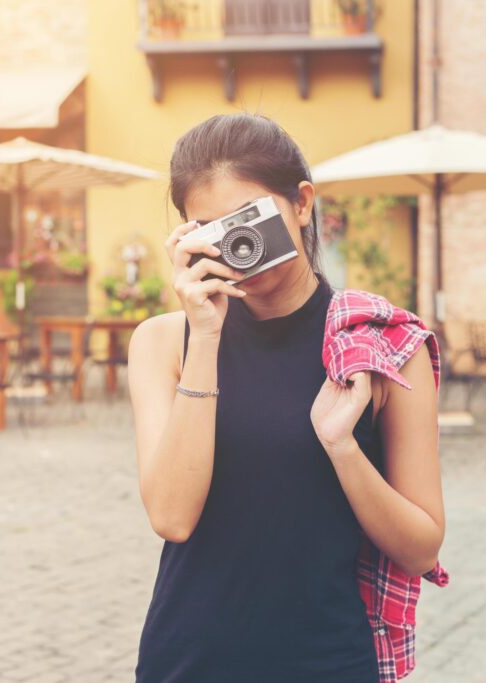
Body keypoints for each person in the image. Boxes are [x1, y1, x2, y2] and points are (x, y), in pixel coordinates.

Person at [127, 113, 445, 683]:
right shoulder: (163, 343)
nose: (238, 245)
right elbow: (172, 517)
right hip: (189, 661)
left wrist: (343, 448)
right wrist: (204, 336)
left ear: (302, 204)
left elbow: (421, 549)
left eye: (247, 219)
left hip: (327, 662)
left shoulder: (381, 345)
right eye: (212, 228)